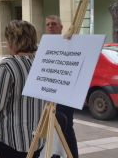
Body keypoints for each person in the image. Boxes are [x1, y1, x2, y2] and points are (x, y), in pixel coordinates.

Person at [0, 20, 46, 158]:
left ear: (13, 40)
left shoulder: (9, 64)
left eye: (7, 39)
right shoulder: (42, 62)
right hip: (38, 138)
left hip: (14, 139)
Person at [46, 15, 79, 158]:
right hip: (48, 92)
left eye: (53, 24)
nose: (50, 26)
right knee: (49, 131)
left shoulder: (69, 44)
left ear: (61, 27)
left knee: (65, 128)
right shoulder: (45, 44)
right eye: (48, 24)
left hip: (64, 94)